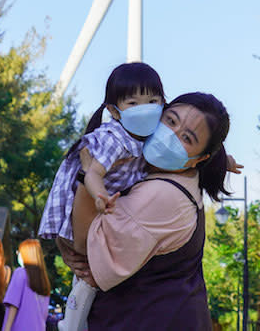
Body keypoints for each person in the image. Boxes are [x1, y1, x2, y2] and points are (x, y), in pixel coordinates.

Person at [61, 91, 233, 331]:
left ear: (199, 158)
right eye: (170, 120)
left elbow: (86, 251)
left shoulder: (160, 195)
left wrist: (86, 174)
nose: (170, 136)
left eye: (186, 138)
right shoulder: (178, 179)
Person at [40, 62, 166, 331]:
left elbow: (182, 148)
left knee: (94, 268)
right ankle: (71, 324)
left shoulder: (153, 135)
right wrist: (99, 196)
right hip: (86, 200)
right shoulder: (113, 138)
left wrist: (221, 160)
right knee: (88, 274)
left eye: (153, 100)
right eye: (133, 102)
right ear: (114, 110)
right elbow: (93, 173)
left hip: (105, 205)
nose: (145, 108)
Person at [1, 238, 52, 331]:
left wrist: (6, 329)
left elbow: (13, 305)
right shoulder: (44, 280)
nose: (18, 254)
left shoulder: (20, 273)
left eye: (19, 252)